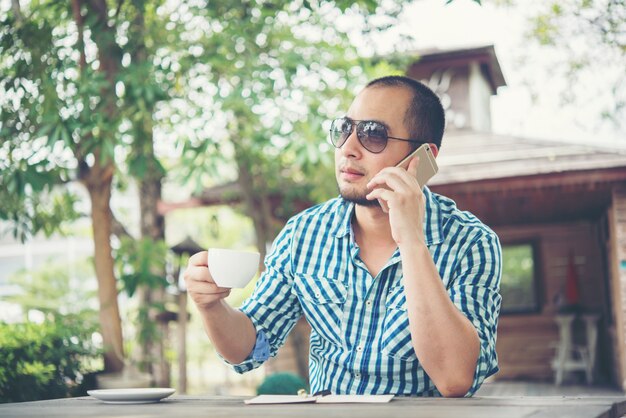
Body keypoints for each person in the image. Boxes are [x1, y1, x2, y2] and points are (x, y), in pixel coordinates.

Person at [184, 75, 502, 397]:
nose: (348, 149)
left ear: (422, 157)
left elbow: (455, 379)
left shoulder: (471, 243)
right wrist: (210, 306)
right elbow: (251, 347)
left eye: (373, 134)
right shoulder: (303, 234)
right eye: (345, 129)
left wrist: (412, 242)